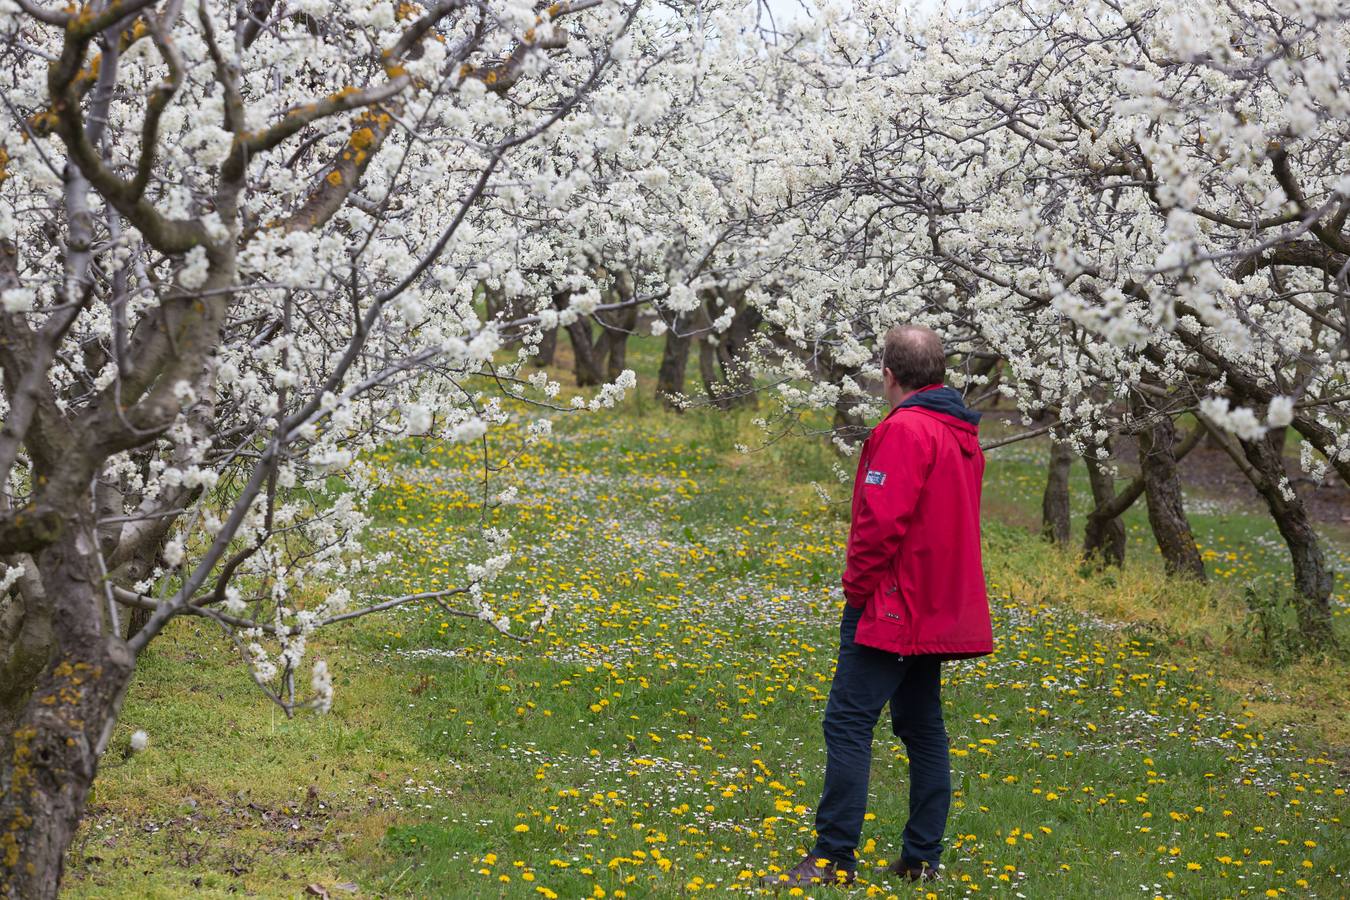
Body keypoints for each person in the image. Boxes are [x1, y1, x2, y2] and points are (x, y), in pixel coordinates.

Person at [766, 324, 994, 889]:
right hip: (936, 605)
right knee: (923, 728)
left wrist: (856, 589)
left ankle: (832, 857)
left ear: (887, 375)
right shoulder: (961, 433)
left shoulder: (905, 430)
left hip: (893, 608)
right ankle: (921, 858)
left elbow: (879, 524)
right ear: (940, 373)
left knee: (848, 722)